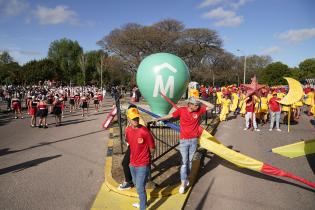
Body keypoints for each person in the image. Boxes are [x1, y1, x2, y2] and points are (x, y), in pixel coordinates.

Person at [155, 97, 213, 194]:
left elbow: (212, 106)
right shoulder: (181, 110)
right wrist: (159, 118)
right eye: (196, 105)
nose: (198, 106)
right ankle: (182, 183)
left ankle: (185, 179)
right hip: (184, 141)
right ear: (190, 105)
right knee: (184, 163)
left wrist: (200, 100)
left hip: (194, 140)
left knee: (190, 161)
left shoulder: (199, 111)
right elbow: (170, 116)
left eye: (198, 105)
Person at [125, 107, 155, 210]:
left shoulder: (145, 132)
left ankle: (143, 207)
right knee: (137, 186)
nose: (136, 120)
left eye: (137, 118)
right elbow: (129, 142)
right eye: (133, 118)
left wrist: (148, 159)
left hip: (143, 164)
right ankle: (143, 202)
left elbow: (152, 148)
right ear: (128, 119)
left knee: (140, 187)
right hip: (132, 164)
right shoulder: (128, 130)